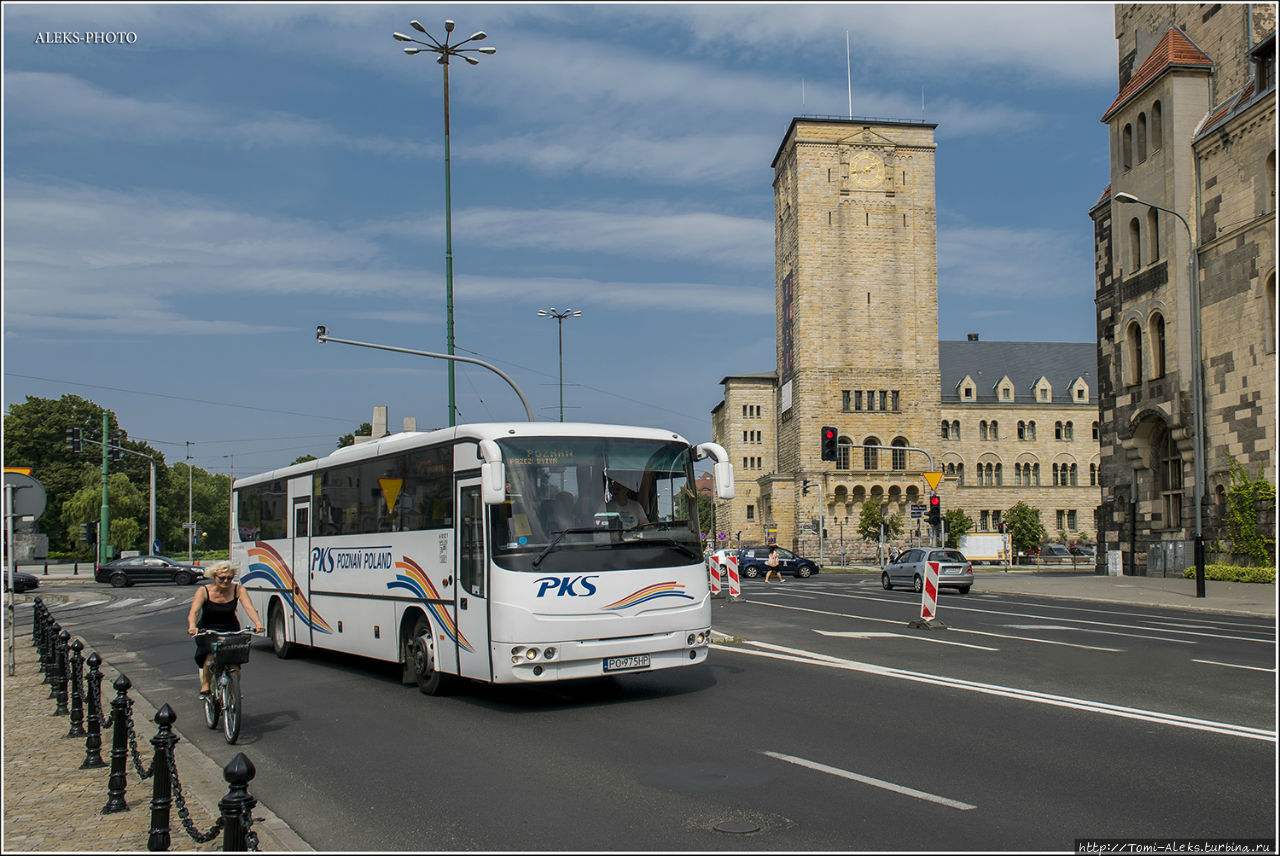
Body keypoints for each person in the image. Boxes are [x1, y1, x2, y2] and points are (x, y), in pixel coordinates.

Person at [187, 561, 264, 698]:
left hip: (230, 628)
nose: (226, 581)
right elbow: (194, 612)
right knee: (210, 656)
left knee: (235, 665)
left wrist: (258, 623)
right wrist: (192, 626)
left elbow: (249, 608)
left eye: (229, 578)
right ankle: (205, 686)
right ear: (214, 577)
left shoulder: (238, 590)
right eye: (222, 578)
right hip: (208, 629)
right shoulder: (204, 591)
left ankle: (233, 691)